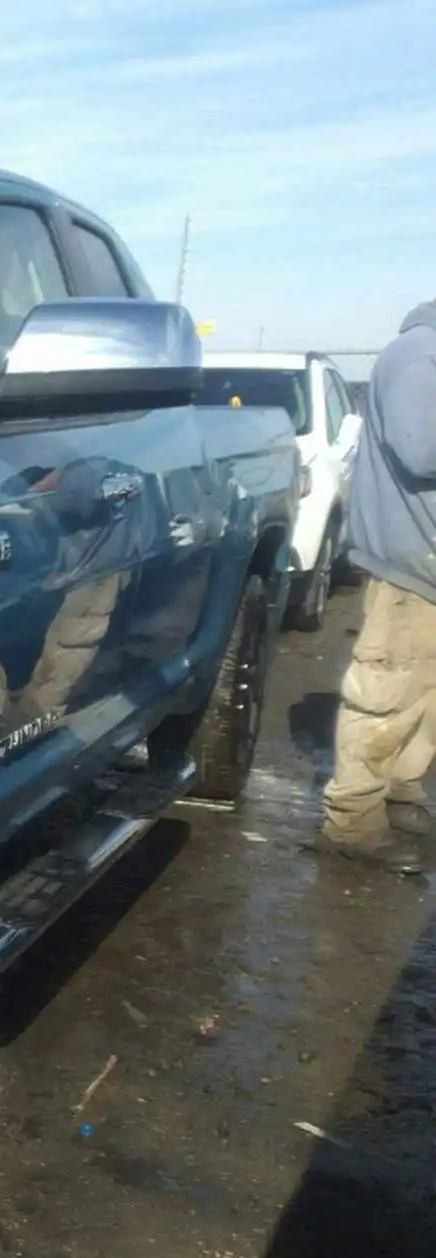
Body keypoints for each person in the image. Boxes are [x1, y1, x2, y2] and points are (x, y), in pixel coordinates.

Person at [316, 300, 436, 873]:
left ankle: (401, 791)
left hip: (427, 563)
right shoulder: (419, 356)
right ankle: (353, 822)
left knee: (426, 698)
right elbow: (422, 449)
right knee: (385, 694)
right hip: (413, 561)